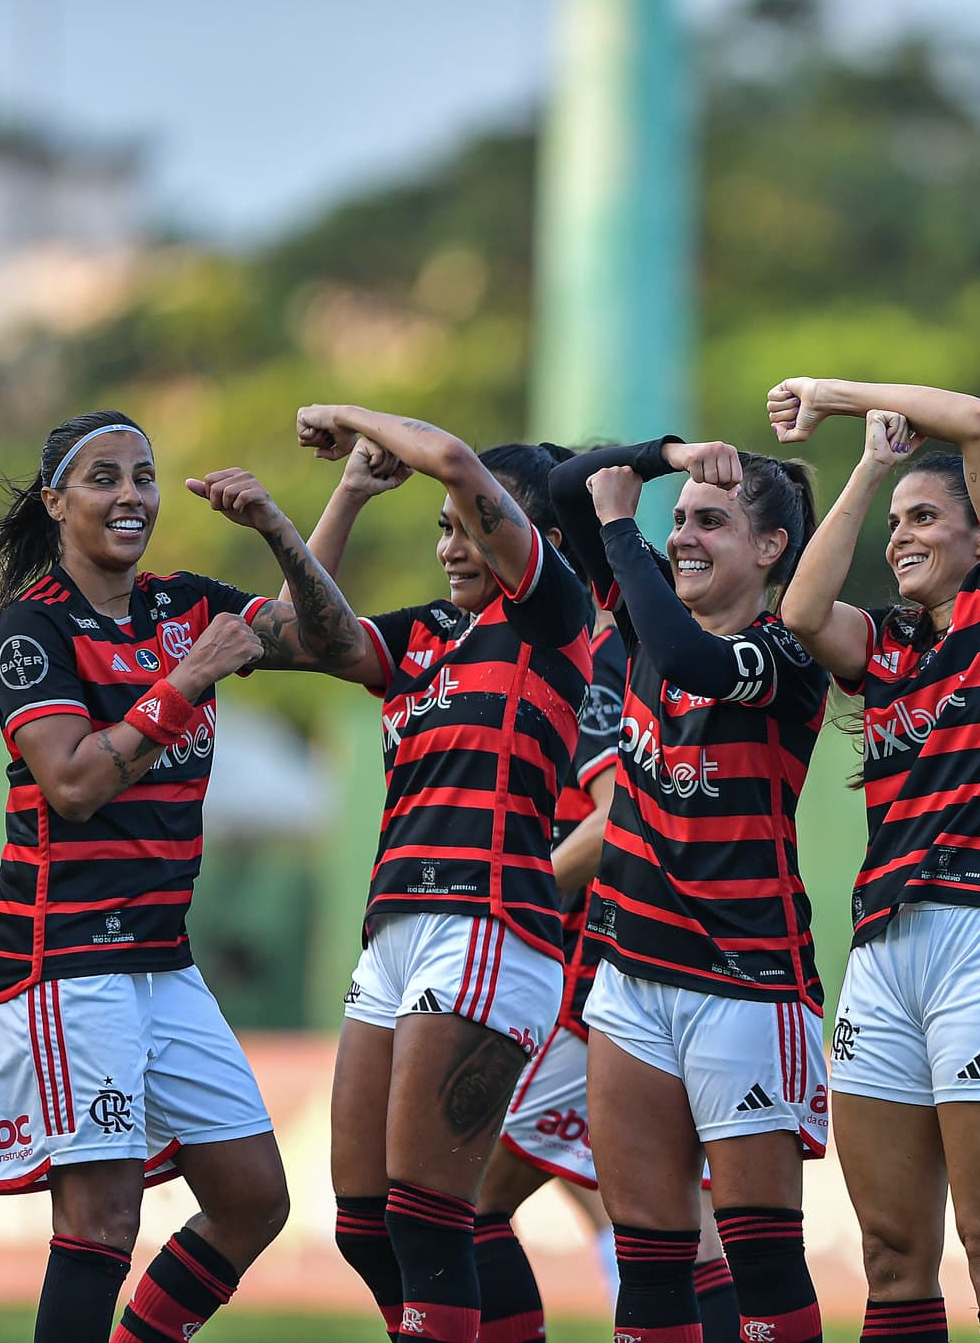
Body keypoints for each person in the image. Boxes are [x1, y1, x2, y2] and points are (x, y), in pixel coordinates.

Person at [0, 411, 366, 1343]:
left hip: (160, 960)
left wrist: (303, 514)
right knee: (103, 1221)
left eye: (144, 477)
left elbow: (321, 637)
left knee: (253, 1198)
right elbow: (71, 782)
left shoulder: (182, 603)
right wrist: (190, 677)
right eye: (104, 477)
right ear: (56, 501)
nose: (131, 496)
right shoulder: (31, 628)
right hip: (60, 956)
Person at [770, 379, 980, 1343]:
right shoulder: (888, 648)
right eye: (898, 521)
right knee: (892, 1257)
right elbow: (802, 607)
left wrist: (835, 397)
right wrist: (869, 467)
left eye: (928, 517)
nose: (904, 535)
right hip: (882, 951)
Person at [289, 405, 595, 1343]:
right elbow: (293, 633)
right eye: (443, 529)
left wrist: (347, 416)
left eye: (470, 528)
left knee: (429, 1218)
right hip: (394, 930)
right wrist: (334, 496)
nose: (453, 547)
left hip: (492, 926)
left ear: (520, 538)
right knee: (364, 1222)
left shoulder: (553, 616)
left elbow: (457, 460)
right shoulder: (421, 636)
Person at [549, 436, 829, 1343]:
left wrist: (625, 519)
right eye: (678, 522)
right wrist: (667, 453)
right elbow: (563, 487)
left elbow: (690, 661)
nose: (682, 538)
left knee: (763, 1264)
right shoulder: (643, 621)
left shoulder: (788, 652)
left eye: (711, 520)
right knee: (651, 1256)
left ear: (773, 549)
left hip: (746, 982)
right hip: (630, 977)